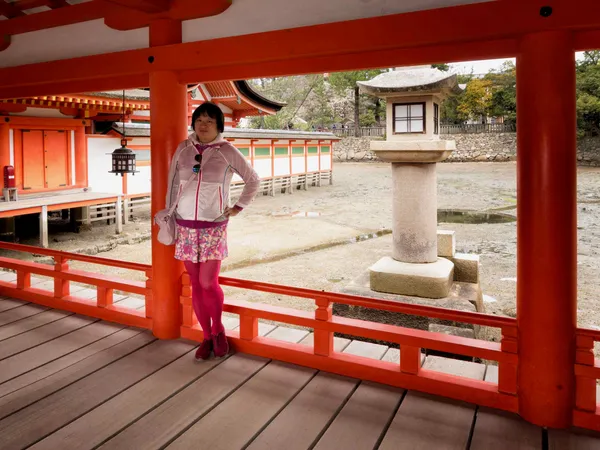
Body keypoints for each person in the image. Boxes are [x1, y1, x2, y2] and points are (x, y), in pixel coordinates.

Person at [165, 102, 260, 361]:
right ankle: (206, 336)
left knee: (208, 282)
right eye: (199, 119)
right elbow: (173, 183)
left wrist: (238, 207)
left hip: (213, 226)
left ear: (219, 124)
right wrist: (169, 213)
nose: (203, 124)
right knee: (196, 284)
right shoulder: (183, 149)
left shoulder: (227, 151)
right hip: (185, 225)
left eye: (209, 120)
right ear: (193, 123)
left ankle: (218, 330)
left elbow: (253, 179)